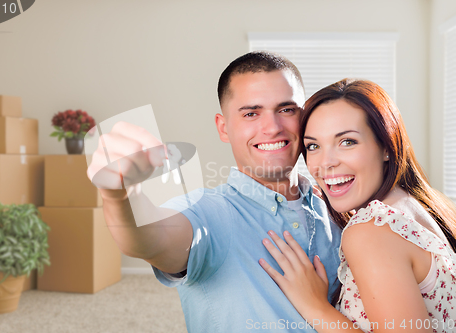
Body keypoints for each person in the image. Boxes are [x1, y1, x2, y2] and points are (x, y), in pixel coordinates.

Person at [87, 51, 342, 332]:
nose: (272, 127)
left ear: (303, 118)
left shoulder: (334, 206)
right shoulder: (208, 210)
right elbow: (152, 240)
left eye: (286, 110)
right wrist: (121, 194)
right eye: (251, 113)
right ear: (224, 128)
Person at [259, 79, 456, 333]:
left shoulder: (371, 231)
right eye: (313, 146)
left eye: (347, 142)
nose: (325, 163)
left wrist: (315, 307)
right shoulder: (418, 204)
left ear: (386, 146)